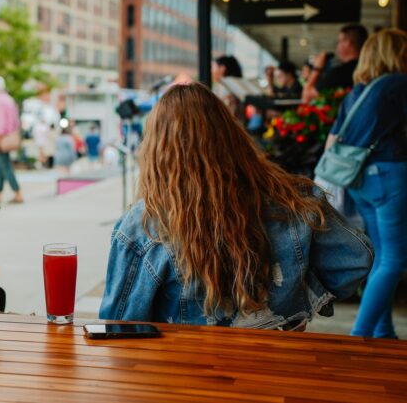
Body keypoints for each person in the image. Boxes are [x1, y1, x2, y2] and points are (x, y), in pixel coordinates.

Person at [99, 82, 373, 328]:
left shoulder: (142, 225)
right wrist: (296, 299)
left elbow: (118, 325)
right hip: (277, 371)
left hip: (184, 378)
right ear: (231, 136)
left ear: (156, 150)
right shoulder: (291, 197)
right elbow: (356, 259)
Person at [324, 29, 407, 339]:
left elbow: (333, 139)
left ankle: (383, 330)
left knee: (383, 255)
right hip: (388, 177)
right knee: (396, 259)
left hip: (358, 181)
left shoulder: (357, 92)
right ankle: (359, 334)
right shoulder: (399, 84)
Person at [303, 24, 368, 102]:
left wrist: (317, 68)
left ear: (347, 43)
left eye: (339, 42)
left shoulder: (340, 73)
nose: (337, 46)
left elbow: (307, 96)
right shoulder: (368, 69)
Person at [0, 75, 23, 204]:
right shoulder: (8, 99)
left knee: (4, 165)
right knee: (0, 165)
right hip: (9, 135)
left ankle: (17, 192)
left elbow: (1, 123)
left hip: (2, 138)